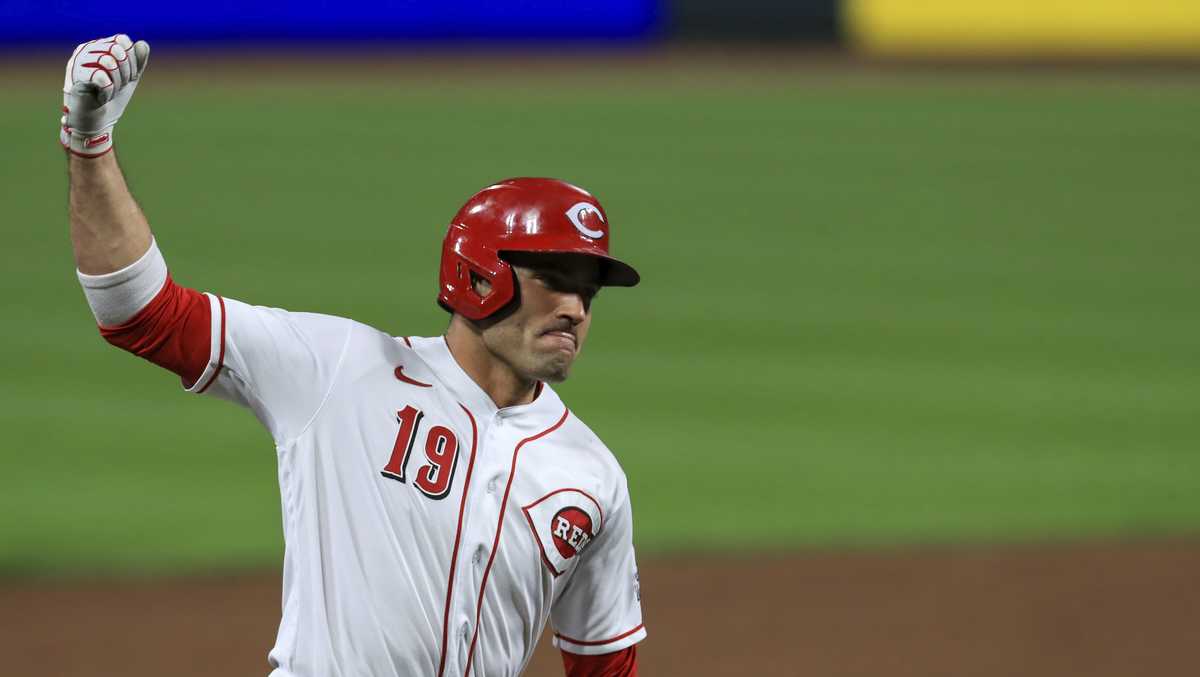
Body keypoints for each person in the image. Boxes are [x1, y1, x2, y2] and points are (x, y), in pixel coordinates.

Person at [64, 35, 646, 676]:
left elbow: (606, 663)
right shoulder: (338, 369)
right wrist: (91, 147)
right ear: (479, 277)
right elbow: (142, 315)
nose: (577, 309)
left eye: (588, 291)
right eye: (557, 281)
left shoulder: (594, 476)